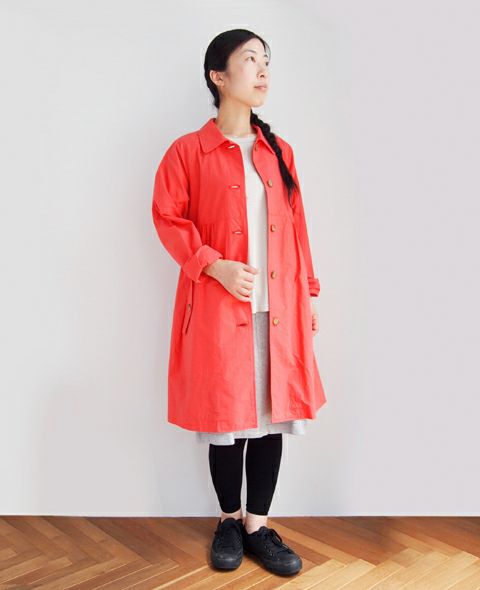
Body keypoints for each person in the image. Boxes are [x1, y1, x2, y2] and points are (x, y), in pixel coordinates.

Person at [151, 29, 326, 577]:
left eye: (267, 59)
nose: (263, 69)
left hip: (279, 309)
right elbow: (167, 217)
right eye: (250, 59)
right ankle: (228, 520)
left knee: (273, 419)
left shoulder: (279, 151)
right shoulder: (187, 151)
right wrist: (214, 265)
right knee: (225, 418)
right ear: (218, 76)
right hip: (218, 309)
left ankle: (258, 526)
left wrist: (309, 292)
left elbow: (297, 227)